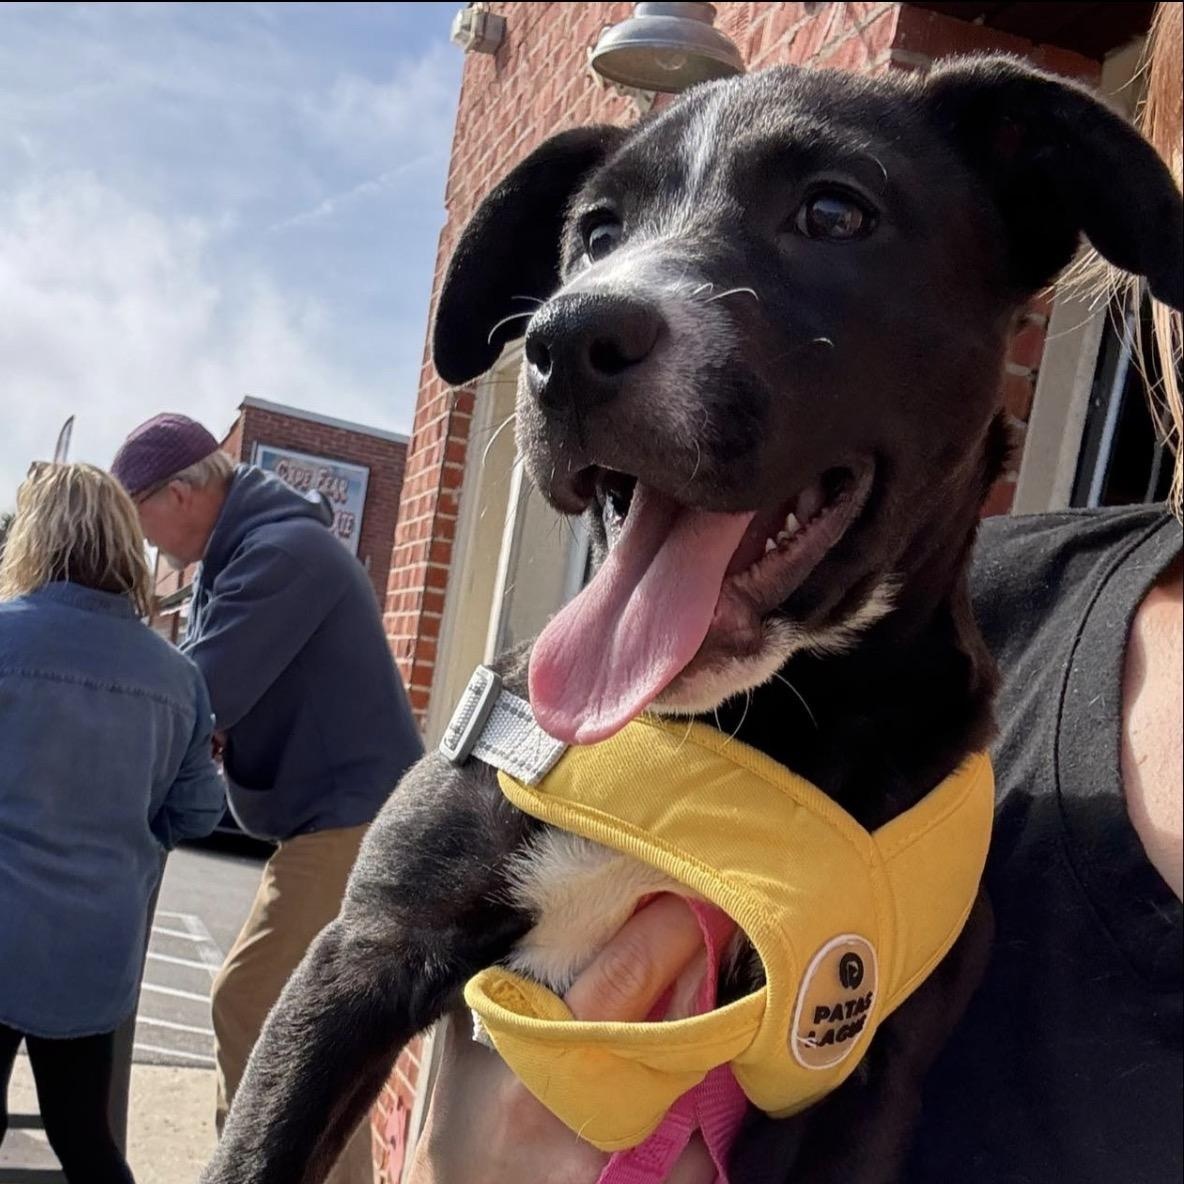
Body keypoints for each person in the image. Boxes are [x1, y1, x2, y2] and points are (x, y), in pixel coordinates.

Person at [406, 6, 1183, 1182]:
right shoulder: (992, 610)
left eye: (828, 214)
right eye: (597, 237)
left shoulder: (933, 723)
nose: (595, 309)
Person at [112, 413, 423, 1184]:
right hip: (338, 819)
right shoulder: (248, 555)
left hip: (354, 820)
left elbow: (195, 698)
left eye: (141, 523)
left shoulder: (281, 555)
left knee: (251, 1000)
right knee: (310, 1028)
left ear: (180, 494)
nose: (148, 549)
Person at [0, 462, 225, 1184]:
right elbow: (197, 811)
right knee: (82, 1136)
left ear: (35, 537)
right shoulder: (176, 677)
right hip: (93, 952)